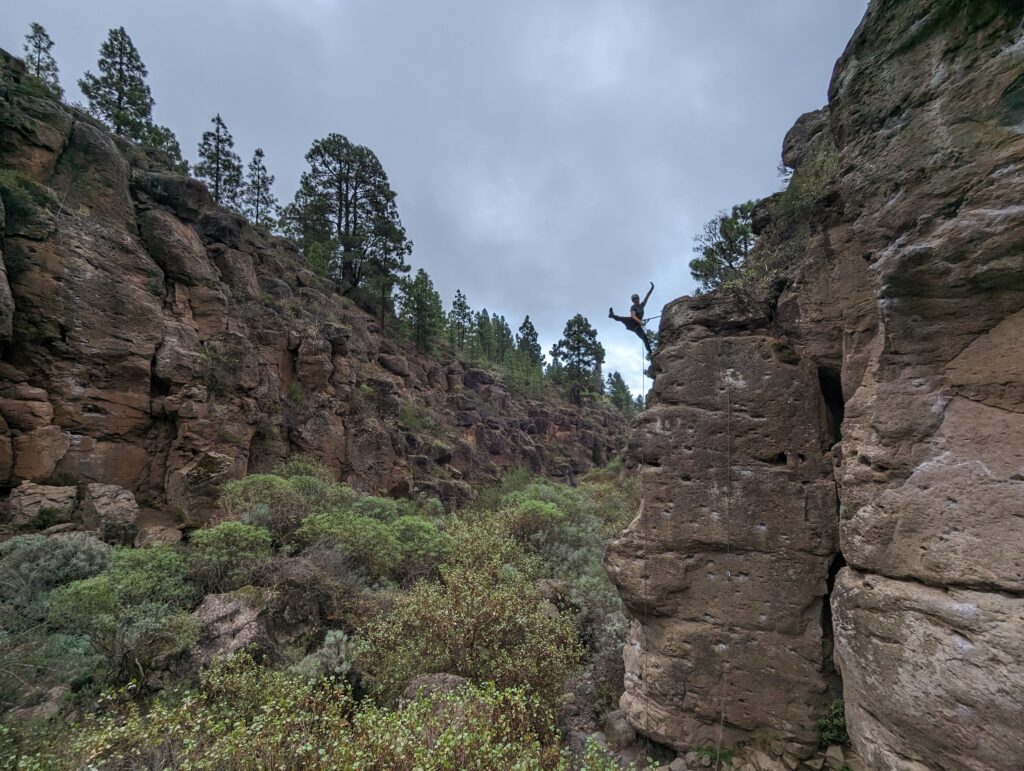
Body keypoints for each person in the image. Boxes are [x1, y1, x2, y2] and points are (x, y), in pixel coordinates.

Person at [610, 281, 654, 353]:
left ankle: (651, 353)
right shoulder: (633, 307)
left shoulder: (642, 305)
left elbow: (647, 296)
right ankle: (612, 315)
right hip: (632, 322)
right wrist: (641, 322)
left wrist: (652, 288)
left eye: (636, 298)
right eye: (634, 299)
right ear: (633, 301)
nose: (636, 300)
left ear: (638, 298)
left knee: (645, 339)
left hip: (637, 326)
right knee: (622, 318)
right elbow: (633, 316)